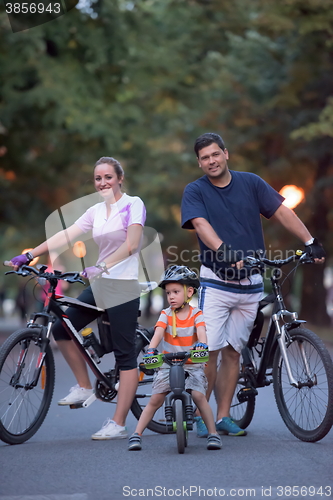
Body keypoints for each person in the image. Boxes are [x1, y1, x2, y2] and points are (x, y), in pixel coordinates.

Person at [181, 132, 326, 438]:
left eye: (215, 154)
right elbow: (201, 226)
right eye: (205, 158)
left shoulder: (251, 183)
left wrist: (310, 241)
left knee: (233, 352)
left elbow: (282, 212)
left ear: (226, 153)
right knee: (210, 352)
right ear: (199, 162)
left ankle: (222, 418)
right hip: (217, 284)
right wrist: (225, 252)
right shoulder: (195, 191)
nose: (211, 161)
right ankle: (199, 414)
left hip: (250, 286)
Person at [8, 156, 146, 440]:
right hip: (100, 285)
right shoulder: (96, 211)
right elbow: (67, 234)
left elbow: (132, 245)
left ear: (120, 178)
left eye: (108, 177)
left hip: (123, 286)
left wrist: (102, 266)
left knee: (125, 355)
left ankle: (118, 423)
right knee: (61, 328)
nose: (103, 182)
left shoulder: (134, 204)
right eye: (98, 178)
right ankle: (84, 385)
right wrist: (31, 254)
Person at [128, 265, 222, 451]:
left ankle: (213, 433)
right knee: (156, 399)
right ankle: (136, 434)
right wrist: (151, 349)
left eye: (176, 292)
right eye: (168, 292)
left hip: (191, 364)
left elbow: (202, 331)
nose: (171, 296)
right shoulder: (165, 314)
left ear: (189, 292)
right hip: (168, 364)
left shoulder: (196, 314)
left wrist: (202, 344)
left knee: (199, 396)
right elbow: (158, 333)